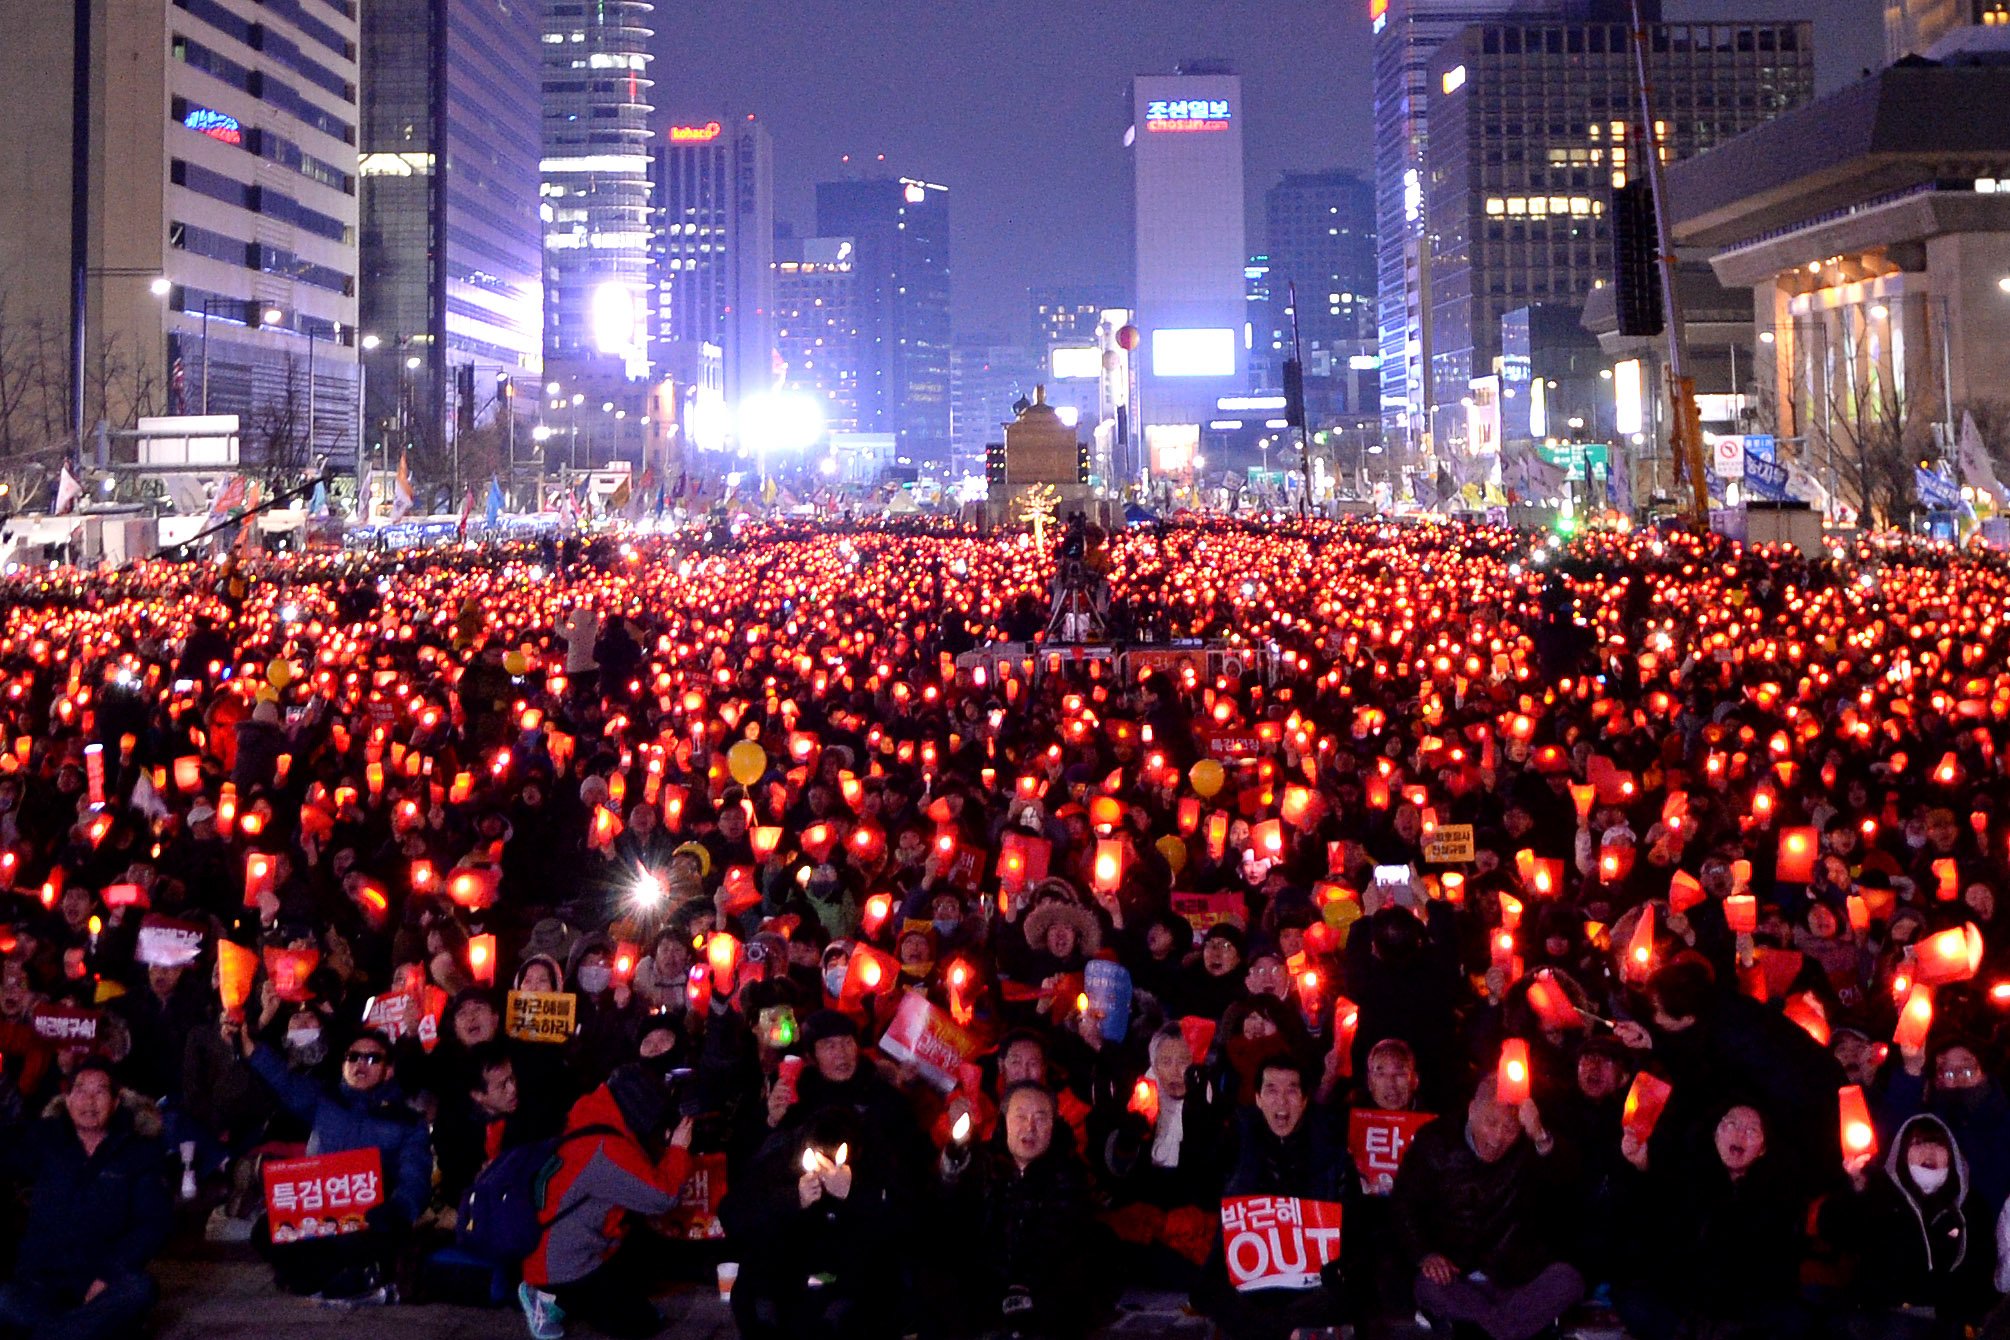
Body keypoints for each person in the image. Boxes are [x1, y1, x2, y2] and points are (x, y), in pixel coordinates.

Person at [232, 1020, 430, 1302]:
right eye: (354, 1057)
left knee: (355, 1242)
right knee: (263, 1233)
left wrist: (399, 1209)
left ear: (388, 1071)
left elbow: (416, 1174)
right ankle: (327, 1277)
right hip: (320, 1205)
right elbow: (285, 1082)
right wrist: (252, 1049)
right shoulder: (326, 1099)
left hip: (371, 1212)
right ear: (343, 1064)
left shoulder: (407, 1121)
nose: (361, 1064)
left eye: (373, 1058)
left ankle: (336, 1275)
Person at [1393, 1075, 1583, 1340]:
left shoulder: (1531, 1143)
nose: (1497, 1138)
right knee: (1427, 1285)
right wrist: (1426, 1254)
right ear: (1472, 1110)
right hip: (1457, 1277)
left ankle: (1492, 1327)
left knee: (1568, 1279)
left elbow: (1570, 1185)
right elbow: (1404, 1205)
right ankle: (1510, 1327)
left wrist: (1540, 1135)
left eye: (1509, 1128)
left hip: (1515, 1278)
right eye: (1490, 1123)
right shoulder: (1434, 1141)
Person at [519, 1063, 695, 1340]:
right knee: (638, 1325)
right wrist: (678, 1149)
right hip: (562, 1263)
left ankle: (572, 1295)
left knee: (641, 1278)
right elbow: (663, 1196)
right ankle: (549, 1298)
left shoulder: (590, 1114)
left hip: (561, 1245)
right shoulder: (605, 1149)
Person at [0, 1060, 172, 1340]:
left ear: (116, 1102)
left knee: (140, 1289)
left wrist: (107, 1274)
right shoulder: (46, 1139)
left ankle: (53, 1333)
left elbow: (152, 1224)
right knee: (5, 1300)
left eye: (100, 1092)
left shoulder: (137, 1151)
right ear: (67, 1100)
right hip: (42, 1277)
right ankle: (78, 1331)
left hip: (102, 1278)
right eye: (80, 1091)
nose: (89, 1101)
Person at [719, 1103, 906, 1340]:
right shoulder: (781, 1158)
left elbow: (905, 1227)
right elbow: (732, 1214)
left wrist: (855, 1195)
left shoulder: (874, 1161)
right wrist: (792, 1199)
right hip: (786, 1277)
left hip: (845, 1279)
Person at [940, 1082, 1107, 1338]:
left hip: (1043, 1287)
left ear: (1054, 1124)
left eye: (1040, 1119)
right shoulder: (982, 1164)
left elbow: (1061, 1233)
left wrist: (1025, 1282)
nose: (1030, 1127)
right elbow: (954, 1219)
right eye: (1020, 1117)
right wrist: (952, 1173)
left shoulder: (1070, 1173)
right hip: (985, 1280)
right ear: (1005, 1121)